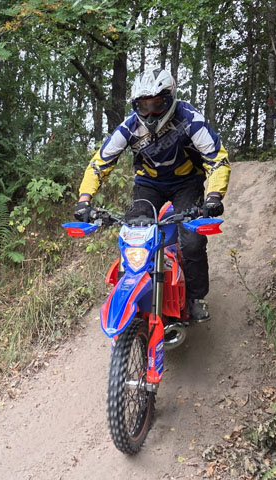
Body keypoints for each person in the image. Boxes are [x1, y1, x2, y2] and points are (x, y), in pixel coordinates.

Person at [74, 67, 230, 322]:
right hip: (149, 185)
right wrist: (84, 200)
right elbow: (99, 163)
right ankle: (134, 291)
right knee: (133, 234)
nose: (150, 113)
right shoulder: (129, 126)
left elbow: (217, 159)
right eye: (143, 106)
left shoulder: (190, 119)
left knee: (192, 241)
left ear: (170, 98)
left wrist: (214, 196)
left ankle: (195, 297)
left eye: (157, 104)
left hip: (187, 183)